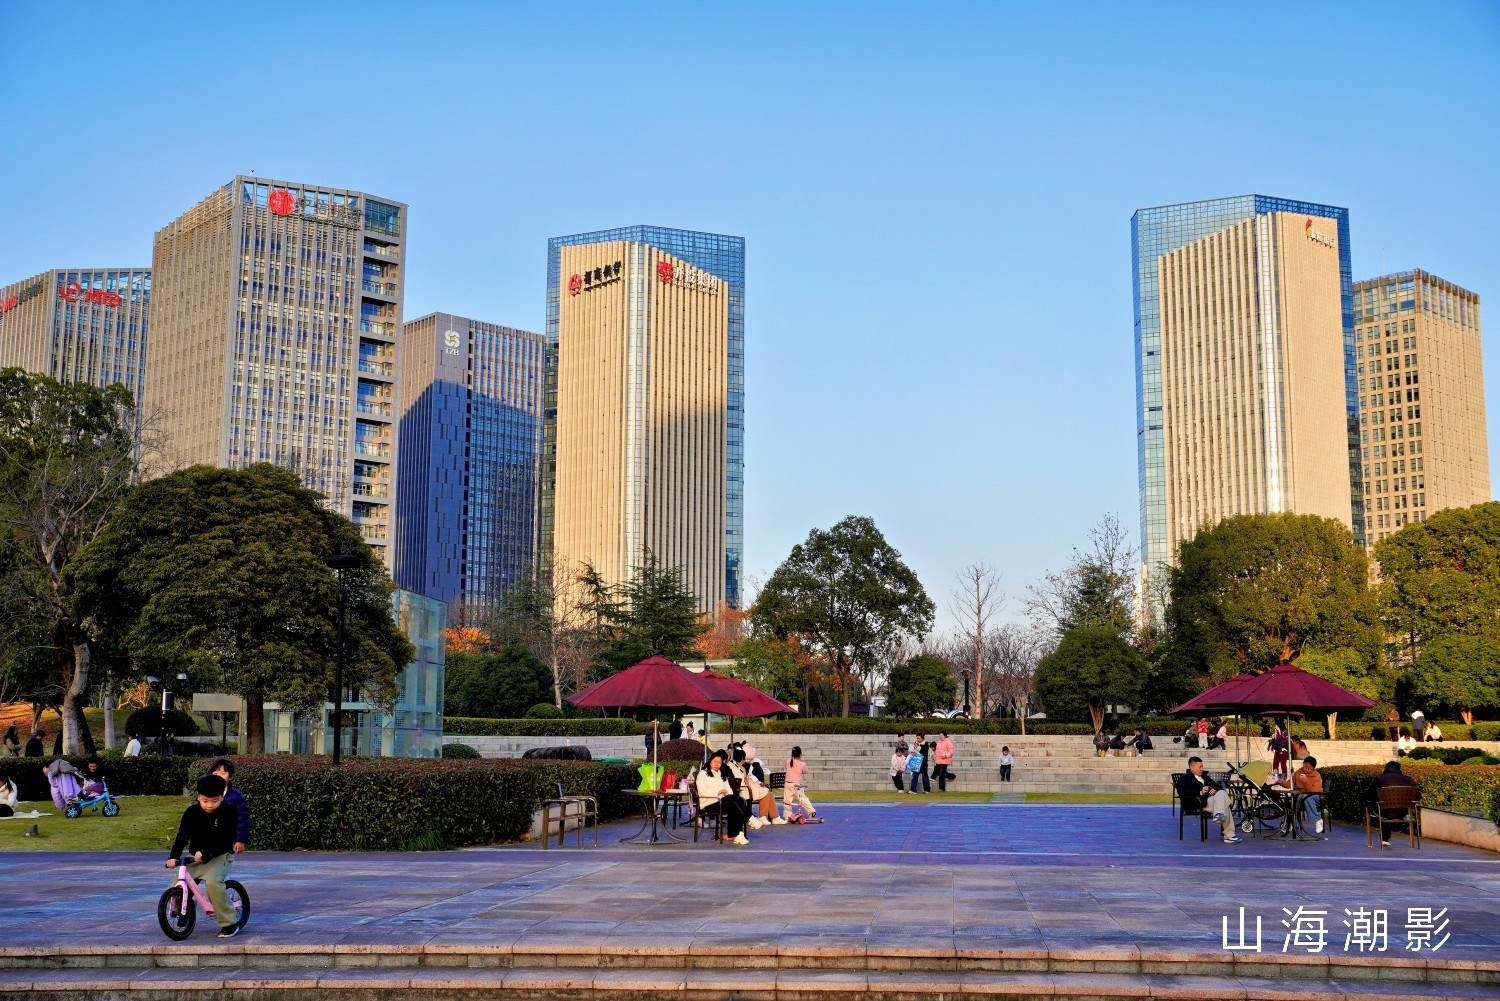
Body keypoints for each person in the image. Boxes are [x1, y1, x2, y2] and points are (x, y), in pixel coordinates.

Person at [165, 774, 243, 936]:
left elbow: (226, 839)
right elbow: (182, 836)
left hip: (220, 856)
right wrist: (173, 856)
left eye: (214, 801)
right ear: (198, 797)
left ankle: (229, 923)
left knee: (213, 884)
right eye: (205, 801)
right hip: (197, 858)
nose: (209, 805)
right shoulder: (191, 812)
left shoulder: (227, 812)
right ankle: (184, 911)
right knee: (177, 884)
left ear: (222, 798)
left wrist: (207, 852)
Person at [1178, 756, 1241, 844]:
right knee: (1225, 805)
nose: (1202, 769)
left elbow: (1216, 786)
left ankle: (1219, 815)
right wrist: (1200, 792)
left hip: (1210, 801)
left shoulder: (1205, 777)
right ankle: (1228, 835)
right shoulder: (1184, 778)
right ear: (1191, 767)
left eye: (1202, 766)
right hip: (1197, 802)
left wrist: (1213, 789)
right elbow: (1182, 793)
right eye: (1200, 767)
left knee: (1221, 793)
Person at [694, 749, 749, 845]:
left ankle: (734, 834)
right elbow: (702, 791)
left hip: (723, 801)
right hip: (709, 803)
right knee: (734, 801)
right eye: (714, 761)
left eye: (719, 762)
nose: (717, 764)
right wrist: (718, 792)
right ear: (710, 761)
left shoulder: (721, 774)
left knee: (737, 801)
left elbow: (730, 791)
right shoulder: (703, 774)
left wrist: (725, 792)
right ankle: (749, 819)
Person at [1372, 760, 1420, 848]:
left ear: (1385, 768)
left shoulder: (1379, 778)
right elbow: (1418, 796)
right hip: (1402, 811)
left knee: (1382, 808)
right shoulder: (1409, 779)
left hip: (1384, 811)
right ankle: (1405, 817)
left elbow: (1371, 795)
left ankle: (1385, 839)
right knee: (1390, 809)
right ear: (1399, 769)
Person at [211, 757, 251, 855]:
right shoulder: (205, 794)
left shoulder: (236, 796)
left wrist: (240, 840)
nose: (218, 776)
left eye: (223, 773)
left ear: (230, 777)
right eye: (216, 773)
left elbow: (242, 819)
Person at [783, 746, 818, 821]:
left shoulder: (788, 761)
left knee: (787, 800)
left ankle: (787, 815)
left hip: (788, 783)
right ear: (800, 754)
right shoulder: (802, 764)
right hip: (796, 785)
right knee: (802, 798)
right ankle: (811, 811)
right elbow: (805, 771)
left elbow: (786, 767)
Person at [1292, 755, 1324, 837]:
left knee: (1308, 797)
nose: (1306, 769)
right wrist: (1281, 782)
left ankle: (1317, 820)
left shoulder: (1316, 776)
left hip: (1316, 796)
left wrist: (1306, 781)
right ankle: (1290, 823)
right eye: (1304, 766)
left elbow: (1314, 791)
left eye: (1308, 768)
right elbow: (1291, 783)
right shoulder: (1298, 773)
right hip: (1301, 796)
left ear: (1313, 768)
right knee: (1291, 800)